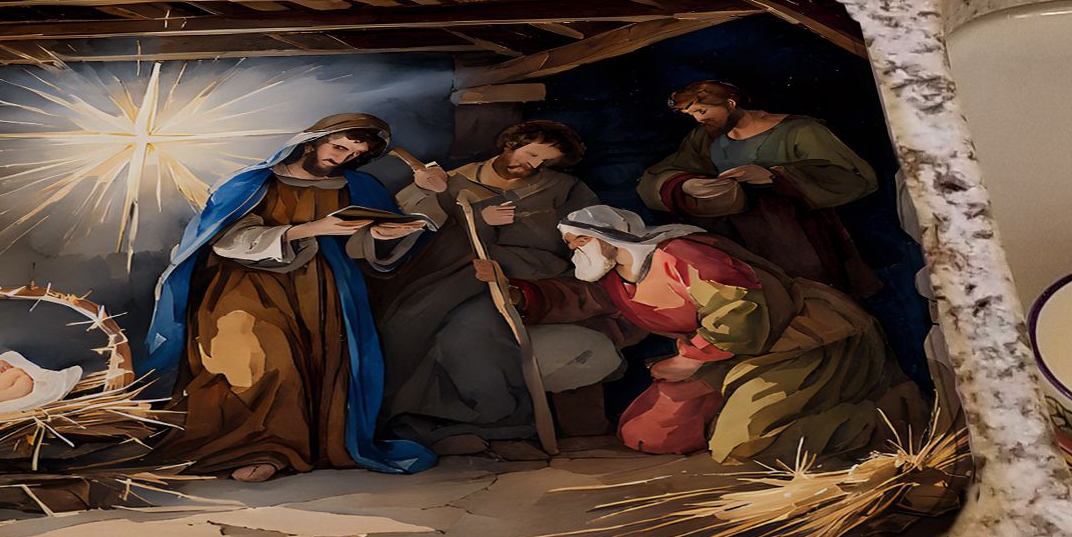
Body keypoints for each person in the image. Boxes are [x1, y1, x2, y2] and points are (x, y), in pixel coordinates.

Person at [482, 205, 925, 466]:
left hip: (798, 340)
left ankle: (888, 416)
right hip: (724, 354)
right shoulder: (616, 275)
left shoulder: (684, 256)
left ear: (608, 237)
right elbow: (581, 298)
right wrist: (516, 293)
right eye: (571, 244)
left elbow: (742, 313)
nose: (574, 251)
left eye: (579, 241)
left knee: (741, 445)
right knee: (646, 435)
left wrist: (690, 358)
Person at [137, 112, 435, 482]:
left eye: (354, 154)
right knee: (261, 362)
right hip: (244, 286)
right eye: (338, 147)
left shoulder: (357, 186)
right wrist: (312, 228)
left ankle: (285, 451)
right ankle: (255, 448)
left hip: (320, 288)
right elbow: (226, 240)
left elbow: (365, 246)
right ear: (311, 142)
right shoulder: (254, 182)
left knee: (315, 365)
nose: (343, 158)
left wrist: (377, 236)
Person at [374, 119, 623, 454]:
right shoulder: (456, 180)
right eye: (531, 154)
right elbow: (417, 227)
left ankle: (505, 426)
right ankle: (424, 424)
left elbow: (589, 237)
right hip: (461, 273)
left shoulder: (564, 189)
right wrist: (437, 196)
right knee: (409, 322)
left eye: (545, 161)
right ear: (511, 143)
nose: (534, 165)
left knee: (472, 328)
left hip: (533, 278)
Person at [636, 82, 881, 295]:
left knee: (813, 298)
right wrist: (685, 183)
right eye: (691, 115)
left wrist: (774, 175)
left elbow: (855, 177)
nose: (699, 119)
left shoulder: (799, 130)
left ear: (730, 104)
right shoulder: (705, 138)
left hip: (800, 237)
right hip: (738, 237)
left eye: (702, 111)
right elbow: (662, 173)